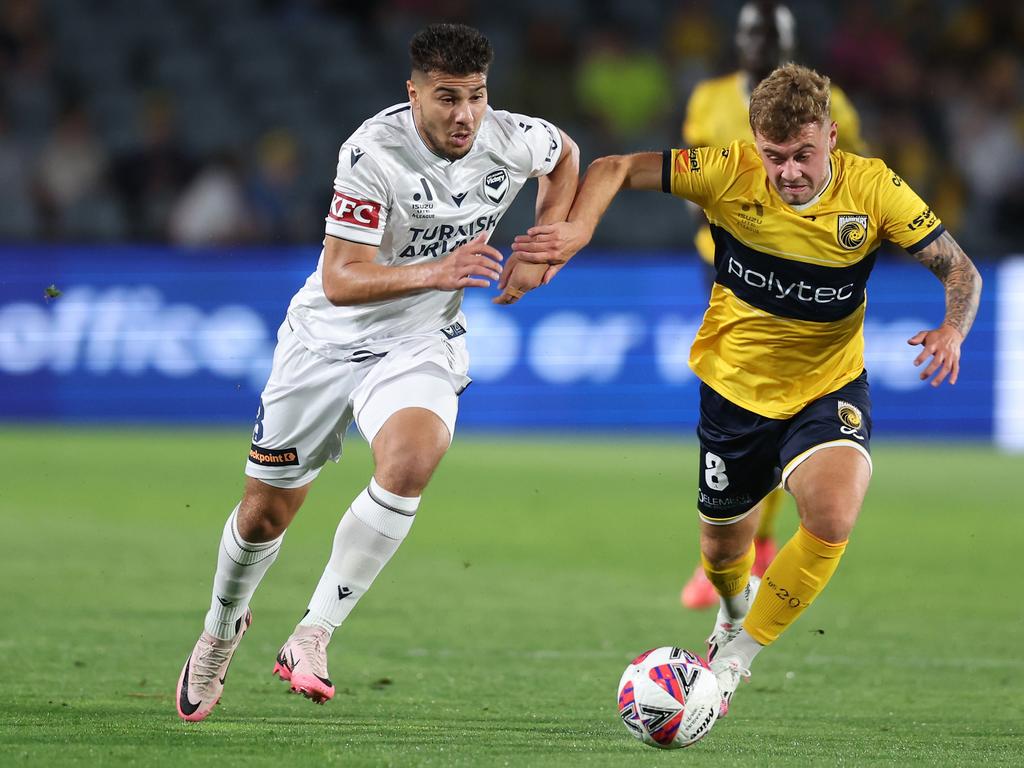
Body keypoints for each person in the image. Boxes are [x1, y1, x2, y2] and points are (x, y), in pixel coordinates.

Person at [506, 63, 981, 718]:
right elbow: (615, 166)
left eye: (804, 156)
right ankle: (733, 613)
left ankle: (732, 661)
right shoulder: (726, 170)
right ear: (755, 144)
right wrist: (580, 230)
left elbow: (959, 268)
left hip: (828, 385)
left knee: (834, 513)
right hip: (733, 391)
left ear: (833, 139)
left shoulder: (876, 189)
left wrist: (953, 330)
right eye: (775, 155)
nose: (788, 172)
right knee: (723, 549)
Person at [175, 22, 579, 722]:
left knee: (415, 455)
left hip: (419, 340)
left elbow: (566, 157)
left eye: (476, 97)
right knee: (266, 513)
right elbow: (339, 277)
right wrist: (441, 269)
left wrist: (545, 244)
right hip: (327, 342)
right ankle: (220, 630)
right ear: (414, 91)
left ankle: (312, 633)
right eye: (447, 97)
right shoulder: (372, 153)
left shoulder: (511, 136)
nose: (464, 115)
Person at [678, 1, 868, 610]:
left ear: (790, 41)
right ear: (737, 40)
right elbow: (690, 178)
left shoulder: (828, 110)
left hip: (805, 268)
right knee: (737, 399)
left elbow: (853, 176)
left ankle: (752, 545)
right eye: (752, 32)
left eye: (773, 34)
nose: (760, 42)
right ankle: (737, 540)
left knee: (787, 400)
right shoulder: (708, 99)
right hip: (724, 264)